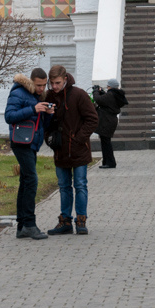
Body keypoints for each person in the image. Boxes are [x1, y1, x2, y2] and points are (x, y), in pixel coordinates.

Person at [44, 64, 99, 235]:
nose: (54, 86)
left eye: (58, 82)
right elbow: (45, 123)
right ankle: (65, 221)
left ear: (65, 79)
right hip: (60, 150)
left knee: (80, 185)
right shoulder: (49, 97)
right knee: (64, 186)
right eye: (52, 83)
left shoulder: (79, 95)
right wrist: (49, 136)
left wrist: (79, 139)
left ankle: (81, 220)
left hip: (78, 149)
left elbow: (92, 119)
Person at [3, 67, 52, 240]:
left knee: (25, 182)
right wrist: (33, 109)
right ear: (31, 81)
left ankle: (22, 226)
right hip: (21, 142)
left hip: (31, 142)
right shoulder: (19, 92)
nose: (42, 89)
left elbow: (41, 124)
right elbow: (9, 116)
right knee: (31, 180)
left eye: (44, 85)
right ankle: (29, 224)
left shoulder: (36, 96)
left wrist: (48, 114)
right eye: (39, 85)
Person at [92, 78, 128, 169]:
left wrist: (96, 91)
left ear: (110, 86)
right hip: (110, 120)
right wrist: (102, 92)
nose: (107, 87)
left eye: (108, 86)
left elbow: (98, 99)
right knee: (105, 141)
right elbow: (105, 100)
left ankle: (110, 163)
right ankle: (106, 162)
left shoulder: (111, 94)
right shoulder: (115, 94)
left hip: (107, 121)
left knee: (106, 142)